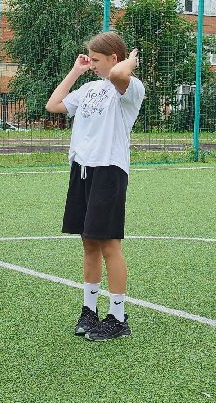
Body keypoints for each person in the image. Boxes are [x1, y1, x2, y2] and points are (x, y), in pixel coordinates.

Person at [46, 32, 144, 341]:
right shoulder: (90, 87)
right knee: (88, 242)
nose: (93, 64)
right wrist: (77, 70)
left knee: (109, 244)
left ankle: (117, 317)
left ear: (115, 59)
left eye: (97, 60)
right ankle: (89, 310)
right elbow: (54, 104)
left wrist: (130, 61)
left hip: (109, 171)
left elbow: (117, 73)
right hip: (82, 169)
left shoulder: (129, 88)